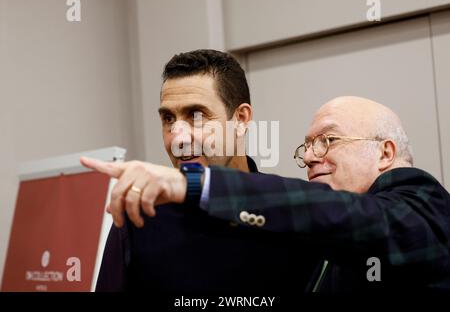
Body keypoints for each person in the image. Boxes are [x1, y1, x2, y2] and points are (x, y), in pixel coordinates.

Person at [82, 95, 450, 292]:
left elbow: (350, 216)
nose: (308, 156)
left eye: (328, 140)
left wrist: (193, 183)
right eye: (306, 146)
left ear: (385, 152)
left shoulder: (422, 205)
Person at [89, 49, 318, 292]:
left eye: (196, 116)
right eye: (168, 118)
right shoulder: (138, 219)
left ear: (240, 119)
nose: (178, 137)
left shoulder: (291, 210)